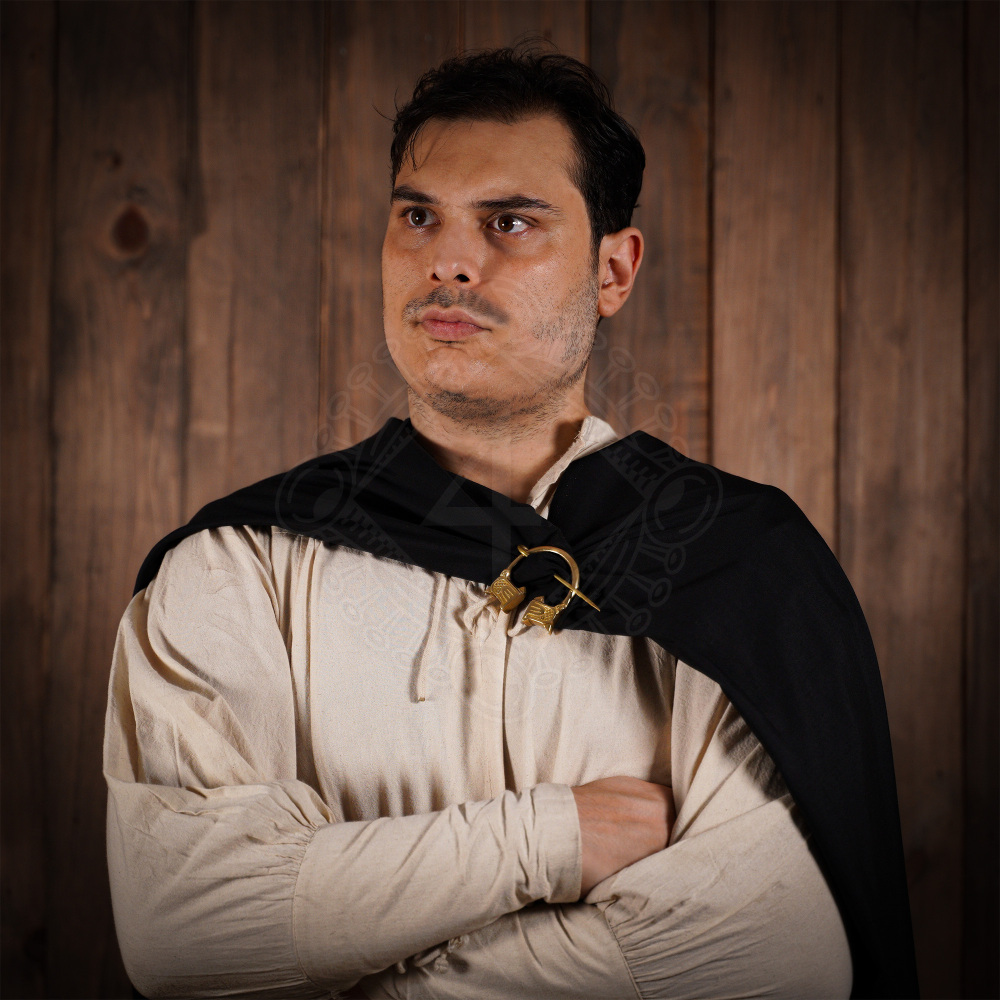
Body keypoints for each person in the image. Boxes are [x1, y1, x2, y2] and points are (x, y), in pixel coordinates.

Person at [105, 48, 916, 999]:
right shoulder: (238, 564)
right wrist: (550, 839)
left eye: (509, 222)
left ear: (612, 270)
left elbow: (773, 958)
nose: (447, 261)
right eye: (419, 217)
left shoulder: (742, 569)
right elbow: (182, 930)